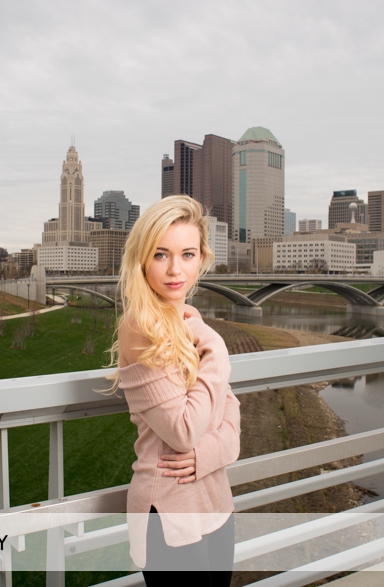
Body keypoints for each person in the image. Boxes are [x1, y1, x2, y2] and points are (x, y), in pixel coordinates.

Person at [105, 195, 241, 585]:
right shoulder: (140, 327)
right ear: (143, 259)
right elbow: (183, 430)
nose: (175, 269)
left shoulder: (189, 321)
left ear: (201, 258)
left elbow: (230, 411)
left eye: (187, 254)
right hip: (168, 509)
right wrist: (216, 349)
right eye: (161, 255)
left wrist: (210, 453)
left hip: (215, 497)